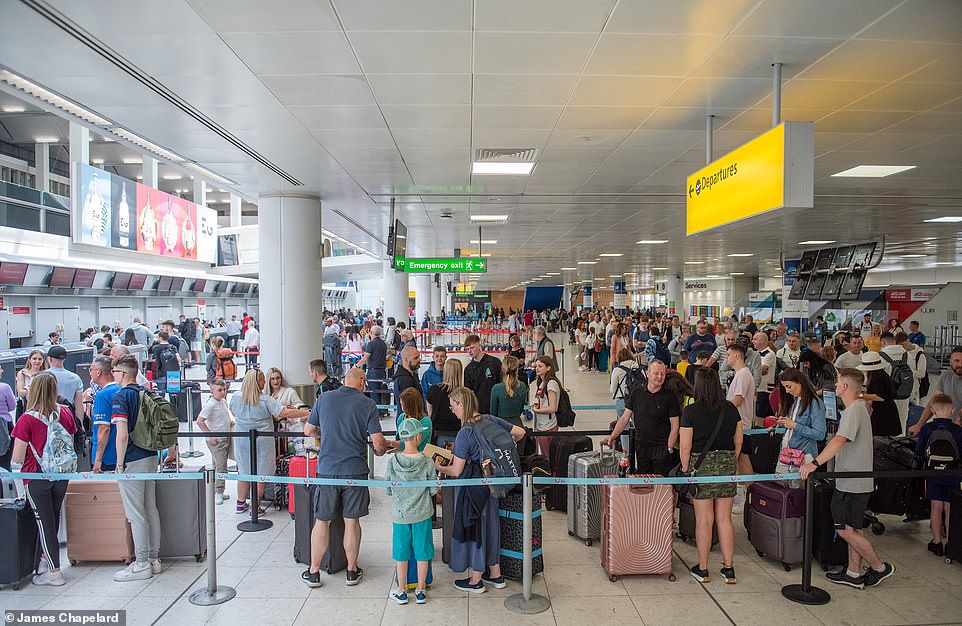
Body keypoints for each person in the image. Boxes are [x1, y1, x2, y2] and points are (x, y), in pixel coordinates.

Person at [800, 368, 896, 589]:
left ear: (844, 386)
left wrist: (814, 464)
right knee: (854, 529)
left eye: (837, 382)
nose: (835, 386)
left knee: (843, 529)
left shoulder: (854, 411)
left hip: (852, 481)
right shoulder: (858, 408)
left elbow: (838, 441)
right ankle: (853, 573)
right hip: (856, 480)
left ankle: (879, 567)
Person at [301, 368, 395, 588]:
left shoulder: (324, 398)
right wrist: (381, 450)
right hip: (355, 470)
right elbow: (378, 443)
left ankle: (314, 571)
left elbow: (308, 430)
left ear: (345, 380)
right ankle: (352, 570)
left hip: (327, 470)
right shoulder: (367, 404)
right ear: (362, 381)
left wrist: (324, 435)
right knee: (352, 522)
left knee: (322, 521)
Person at [435, 387, 524, 593]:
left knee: (475, 527)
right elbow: (520, 433)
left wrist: (439, 467)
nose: (452, 410)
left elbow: (457, 470)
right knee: (492, 524)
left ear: (462, 404)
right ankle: (496, 574)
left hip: (474, 486)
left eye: (453, 406)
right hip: (493, 482)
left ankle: (476, 579)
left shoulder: (465, 433)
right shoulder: (489, 419)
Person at [9, 372, 77, 586]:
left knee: (43, 521)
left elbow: (17, 457)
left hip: (36, 476)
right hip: (61, 474)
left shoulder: (26, 419)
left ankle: (54, 571)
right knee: (53, 516)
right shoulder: (65, 413)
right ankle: (43, 561)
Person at [680, 367, 742, 585]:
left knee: (704, 519)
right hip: (726, 465)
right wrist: (729, 460)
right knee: (724, 518)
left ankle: (703, 568)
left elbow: (685, 447)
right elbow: (739, 441)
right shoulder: (731, 409)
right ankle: (729, 568)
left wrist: (687, 471)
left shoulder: (691, 411)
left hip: (701, 467)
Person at [109, 356, 162, 581]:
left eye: (115, 371)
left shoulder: (121, 396)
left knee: (135, 513)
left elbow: (121, 434)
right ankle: (153, 559)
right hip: (150, 455)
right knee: (150, 508)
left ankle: (141, 564)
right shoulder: (145, 392)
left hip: (132, 458)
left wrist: (119, 464)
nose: (113, 375)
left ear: (122, 374)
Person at [230, 369, 308, 514]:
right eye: (263, 380)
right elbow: (283, 413)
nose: (265, 382)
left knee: (244, 471)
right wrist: (306, 412)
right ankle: (255, 506)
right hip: (263, 441)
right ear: (258, 382)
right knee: (261, 472)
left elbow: (233, 412)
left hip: (242, 440)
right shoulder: (265, 400)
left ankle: (240, 504)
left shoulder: (235, 397)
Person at [385, 417, 437, 605]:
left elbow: (388, 489)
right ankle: (421, 590)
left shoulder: (392, 462)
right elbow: (433, 490)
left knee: (401, 552)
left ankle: (401, 590)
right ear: (418, 437)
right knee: (423, 552)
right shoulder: (427, 462)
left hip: (400, 515)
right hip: (422, 514)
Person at [606, 360, 680, 474]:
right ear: (647, 373)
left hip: (661, 448)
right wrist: (613, 435)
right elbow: (625, 418)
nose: (660, 377)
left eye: (663, 374)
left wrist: (669, 448)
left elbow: (675, 425)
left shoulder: (669, 397)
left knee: (661, 485)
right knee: (643, 483)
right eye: (656, 373)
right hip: (642, 447)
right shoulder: (636, 393)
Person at [914, 393, 962, 556]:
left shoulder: (927, 428)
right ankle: (950, 543)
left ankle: (936, 542)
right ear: (952, 411)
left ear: (933, 410)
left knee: (936, 507)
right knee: (950, 508)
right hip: (953, 474)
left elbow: (919, 451)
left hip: (932, 474)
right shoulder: (957, 430)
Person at [774, 368, 827, 485]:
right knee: (781, 489)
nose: (787, 391)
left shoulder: (815, 404)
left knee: (799, 494)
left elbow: (820, 434)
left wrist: (795, 426)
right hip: (786, 453)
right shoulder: (794, 401)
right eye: (785, 387)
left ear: (799, 382)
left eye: (789, 386)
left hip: (804, 455)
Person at [196, 378, 234, 503]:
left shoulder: (222, 402)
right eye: (219, 390)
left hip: (224, 437)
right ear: (212, 392)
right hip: (217, 440)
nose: (223, 392)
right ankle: (218, 491)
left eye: (224, 390)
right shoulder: (210, 405)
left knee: (217, 464)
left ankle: (217, 490)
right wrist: (210, 435)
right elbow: (200, 420)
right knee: (221, 466)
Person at [910, 346, 962, 436]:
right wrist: (919, 425)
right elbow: (934, 401)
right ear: (950, 361)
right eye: (956, 361)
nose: (960, 364)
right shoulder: (946, 376)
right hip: (952, 430)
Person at [88, 356, 120, 474]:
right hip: (120, 453)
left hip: (106, 456)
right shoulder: (122, 389)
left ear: (98, 372)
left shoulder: (102, 395)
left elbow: (103, 428)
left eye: (91, 370)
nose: (90, 373)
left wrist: (98, 459)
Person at [858, 352, 902, 437]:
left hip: (883, 413)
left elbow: (881, 397)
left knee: (879, 437)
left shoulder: (877, 377)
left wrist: (861, 395)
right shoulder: (880, 374)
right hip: (886, 409)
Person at [426, 359, 463, 449]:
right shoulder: (463, 393)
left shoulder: (433, 390)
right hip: (459, 434)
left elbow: (430, 414)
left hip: (438, 434)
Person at [463, 335, 502, 415]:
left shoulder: (494, 362)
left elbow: (502, 383)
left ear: (479, 346)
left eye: (472, 348)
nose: (470, 351)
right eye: (467, 349)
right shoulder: (468, 369)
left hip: (496, 406)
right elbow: (469, 392)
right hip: (480, 409)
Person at [530, 356, 562, 454]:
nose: (537, 368)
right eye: (536, 366)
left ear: (548, 368)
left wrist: (537, 410)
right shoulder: (542, 382)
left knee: (547, 454)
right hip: (542, 424)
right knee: (544, 452)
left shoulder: (551, 383)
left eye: (540, 366)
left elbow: (553, 408)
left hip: (548, 425)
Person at [489, 355, 528, 427]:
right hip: (517, 425)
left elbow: (493, 414)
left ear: (503, 369)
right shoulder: (522, 386)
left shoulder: (496, 388)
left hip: (501, 426)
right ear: (517, 369)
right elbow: (521, 409)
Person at [357, 325, 389, 410]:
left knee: (374, 392)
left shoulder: (371, 344)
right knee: (381, 391)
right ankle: (382, 409)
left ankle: (376, 411)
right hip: (382, 371)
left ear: (371, 333)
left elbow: (366, 357)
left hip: (373, 372)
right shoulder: (383, 344)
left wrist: (357, 365)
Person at [396, 388, 433, 452]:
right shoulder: (401, 418)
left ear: (412, 406)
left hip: (421, 458)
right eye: (401, 405)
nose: (402, 409)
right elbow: (398, 438)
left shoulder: (426, 422)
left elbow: (412, 443)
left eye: (405, 406)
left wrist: (390, 443)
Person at [610, 347, 641, 421]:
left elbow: (613, 389)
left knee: (622, 425)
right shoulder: (638, 368)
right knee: (637, 425)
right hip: (636, 400)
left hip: (621, 400)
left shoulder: (617, 370)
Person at [394, 346, 421, 414]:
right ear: (406, 359)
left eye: (419, 357)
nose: (419, 360)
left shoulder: (410, 376)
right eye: (415, 358)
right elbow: (409, 408)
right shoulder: (405, 381)